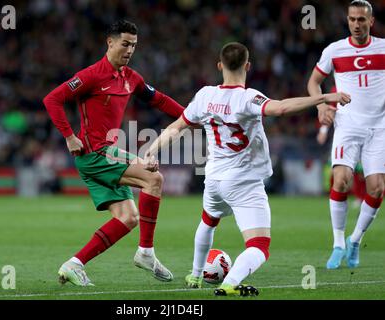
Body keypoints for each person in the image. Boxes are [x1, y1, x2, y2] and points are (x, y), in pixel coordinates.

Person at [143, 42, 350, 296]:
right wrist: (323, 97)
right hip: (243, 182)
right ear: (247, 66)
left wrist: (152, 150)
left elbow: (176, 127)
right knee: (259, 245)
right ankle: (230, 283)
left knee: (208, 221)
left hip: (214, 179)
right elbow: (282, 107)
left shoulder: (205, 95)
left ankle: (195, 276)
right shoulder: (248, 98)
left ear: (220, 65)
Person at [43, 20, 185, 286]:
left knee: (128, 217)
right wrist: (69, 136)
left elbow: (160, 100)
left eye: (134, 45)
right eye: (125, 44)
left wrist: (191, 115)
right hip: (96, 153)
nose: (130, 50)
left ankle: (73, 265)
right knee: (154, 179)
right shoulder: (91, 75)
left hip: (104, 154)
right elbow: (52, 99)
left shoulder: (131, 78)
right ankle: (146, 253)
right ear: (110, 42)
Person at [307, 0, 385, 270]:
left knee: (377, 188)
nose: (356, 24)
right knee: (340, 180)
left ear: (371, 22)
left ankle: (355, 239)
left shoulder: (383, 48)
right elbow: (314, 82)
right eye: (352, 19)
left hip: (380, 127)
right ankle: (338, 242)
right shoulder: (335, 50)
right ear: (347, 20)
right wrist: (320, 106)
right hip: (348, 125)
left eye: (362, 20)